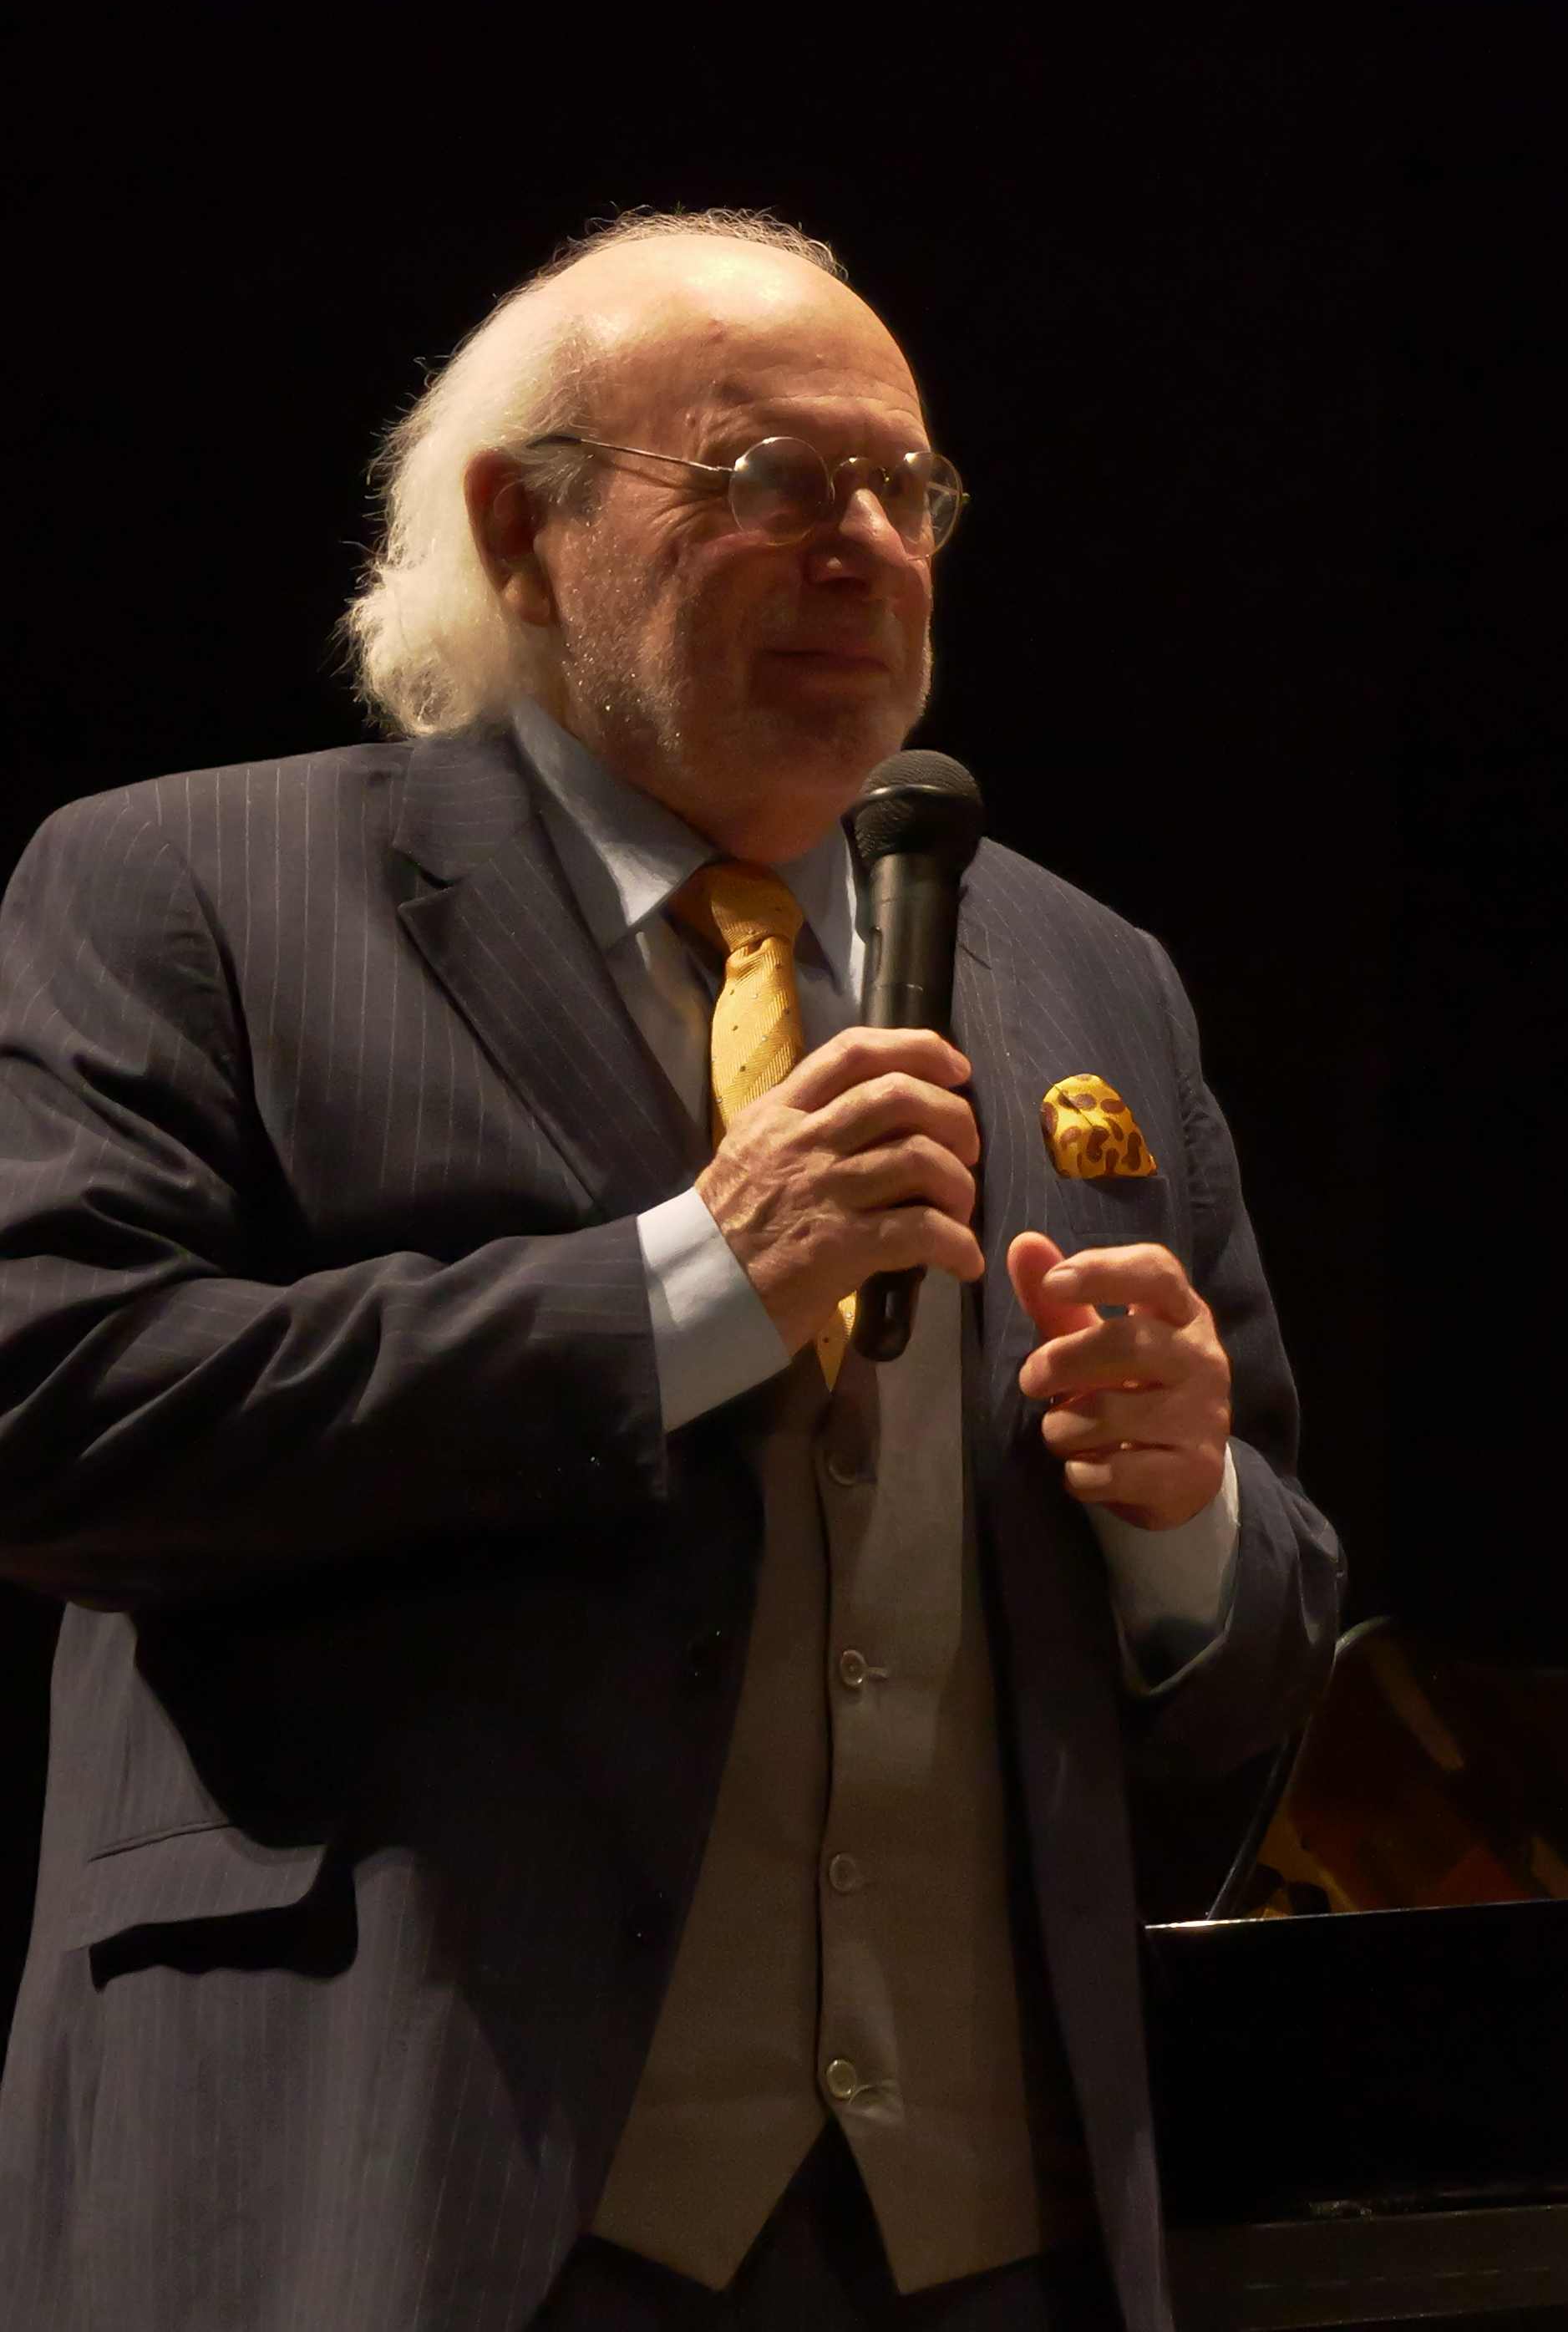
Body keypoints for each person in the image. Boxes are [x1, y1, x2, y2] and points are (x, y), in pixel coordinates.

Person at [0, 211, 1344, 2328]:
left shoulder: (1090, 974)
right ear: (519, 533)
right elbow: (60, 1411)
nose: (865, 547)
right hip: (411, 2191)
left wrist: (1184, 1520)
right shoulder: (195, 887)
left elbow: (1263, 1642)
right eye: (770, 480)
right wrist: (689, 1288)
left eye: (905, 490)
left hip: (976, 2234)